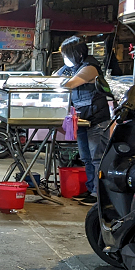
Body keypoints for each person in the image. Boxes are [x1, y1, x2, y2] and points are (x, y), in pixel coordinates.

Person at [58, 36, 112, 206]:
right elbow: (55, 77)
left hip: (96, 120)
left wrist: (60, 79)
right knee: (86, 158)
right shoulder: (76, 67)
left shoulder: (90, 68)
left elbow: (69, 84)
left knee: (97, 158)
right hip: (82, 119)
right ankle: (91, 189)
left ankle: (98, 194)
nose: (65, 59)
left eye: (66, 55)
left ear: (76, 53)